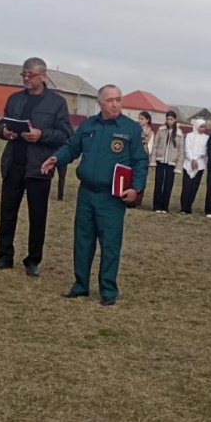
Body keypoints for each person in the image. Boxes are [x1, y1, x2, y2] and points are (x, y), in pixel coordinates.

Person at [42, 85, 148, 305]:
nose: (115, 104)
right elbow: (72, 147)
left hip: (112, 197)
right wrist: (56, 158)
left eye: (118, 99)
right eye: (110, 100)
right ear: (100, 103)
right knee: (83, 241)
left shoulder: (130, 129)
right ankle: (80, 285)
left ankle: (108, 290)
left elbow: (140, 161)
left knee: (110, 243)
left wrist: (136, 188)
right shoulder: (88, 125)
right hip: (87, 194)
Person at [0, 57, 72, 276]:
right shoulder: (15, 99)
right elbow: (2, 124)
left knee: (37, 216)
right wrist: (4, 131)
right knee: (7, 213)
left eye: (31, 75)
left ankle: (33, 261)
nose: (26, 78)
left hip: (39, 167)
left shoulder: (57, 103)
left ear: (43, 76)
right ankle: (4, 256)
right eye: (23, 74)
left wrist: (41, 134)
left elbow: (65, 134)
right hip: (14, 164)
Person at [151, 111, 184, 213]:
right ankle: (156, 206)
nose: (169, 121)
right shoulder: (161, 130)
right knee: (158, 183)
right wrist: (153, 161)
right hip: (160, 160)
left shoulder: (179, 133)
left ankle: (164, 206)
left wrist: (178, 166)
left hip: (171, 162)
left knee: (168, 185)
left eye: (171, 119)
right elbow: (155, 146)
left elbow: (181, 151)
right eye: (168, 119)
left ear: (175, 120)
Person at [180, 118, 209, 214]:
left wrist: (195, 159)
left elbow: (203, 151)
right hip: (188, 163)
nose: (203, 128)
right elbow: (187, 148)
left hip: (199, 165)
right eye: (201, 126)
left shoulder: (206, 138)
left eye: (204, 127)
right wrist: (192, 159)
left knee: (194, 187)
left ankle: (189, 207)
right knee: (186, 186)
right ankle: (183, 207)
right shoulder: (189, 136)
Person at [133, 110, 154, 208]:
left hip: (144, 158)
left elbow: (150, 147)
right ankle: (130, 200)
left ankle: (138, 201)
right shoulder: (135, 130)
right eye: (139, 118)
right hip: (134, 157)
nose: (140, 121)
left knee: (141, 179)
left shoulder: (151, 133)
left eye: (142, 119)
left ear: (147, 120)